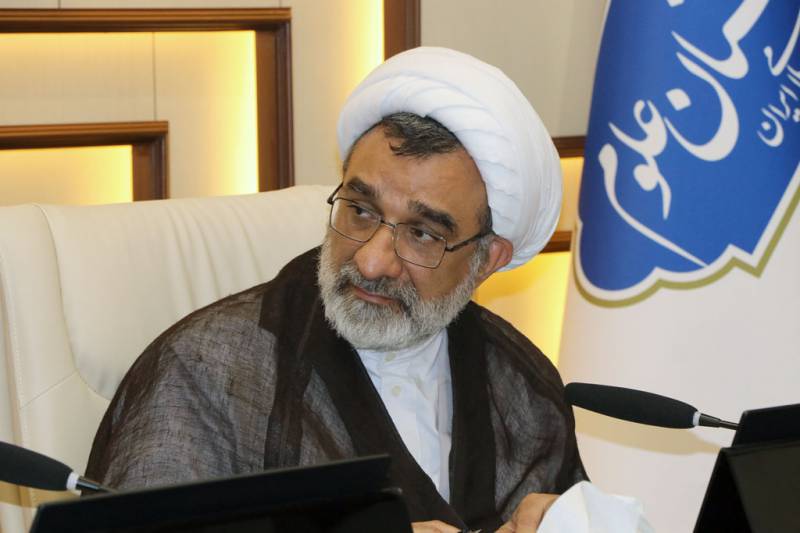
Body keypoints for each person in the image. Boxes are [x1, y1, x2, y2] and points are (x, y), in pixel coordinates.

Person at [86, 47, 586, 532]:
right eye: (360, 211)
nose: (371, 260)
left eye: (422, 234)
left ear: (487, 260)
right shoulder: (206, 371)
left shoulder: (524, 387)